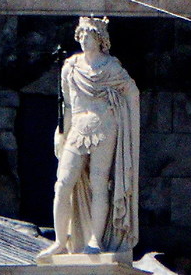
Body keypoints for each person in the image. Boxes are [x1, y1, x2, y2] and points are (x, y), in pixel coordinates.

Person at [38, 17, 141, 260]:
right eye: (81, 35)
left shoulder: (111, 68)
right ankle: (60, 240)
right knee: (62, 183)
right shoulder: (70, 67)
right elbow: (68, 105)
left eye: (89, 35)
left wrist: (122, 116)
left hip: (105, 127)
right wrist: (61, 133)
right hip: (77, 128)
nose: (84, 40)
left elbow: (132, 95)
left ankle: (95, 239)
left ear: (100, 39)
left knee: (98, 184)